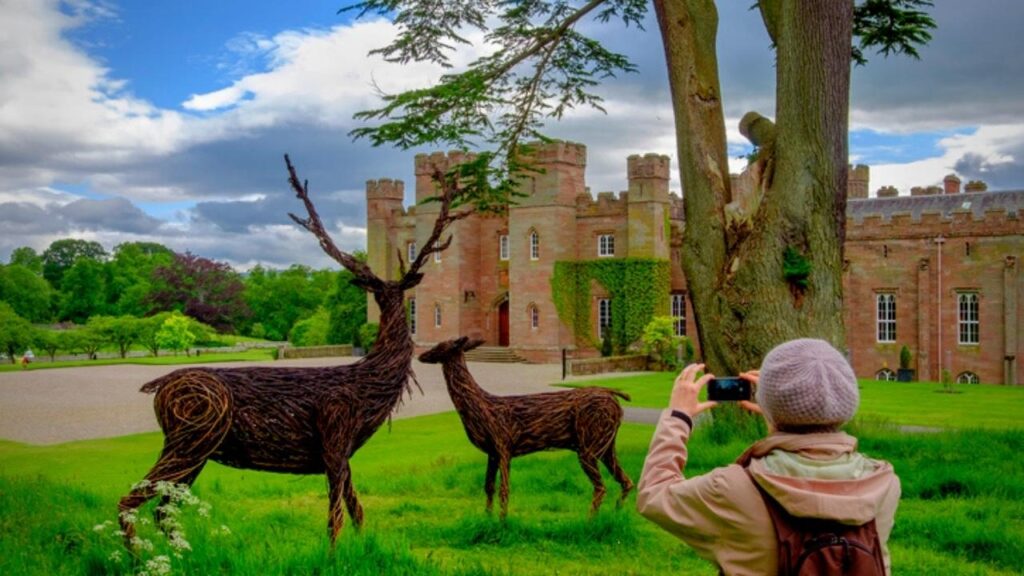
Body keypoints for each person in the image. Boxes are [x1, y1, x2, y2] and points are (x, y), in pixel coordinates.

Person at [637, 338, 901, 575]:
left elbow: (654, 494)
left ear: (770, 404)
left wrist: (678, 418)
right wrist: (781, 413)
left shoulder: (733, 490)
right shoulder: (883, 485)